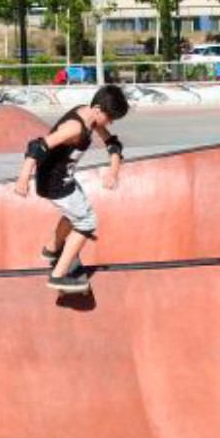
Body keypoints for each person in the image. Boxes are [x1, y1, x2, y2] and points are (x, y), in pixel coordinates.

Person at [14, 84, 130, 293]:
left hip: (62, 178)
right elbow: (37, 147)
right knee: (87, 221)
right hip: (54, 183)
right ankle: (58, 276)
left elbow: (113, 144)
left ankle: (52, 249)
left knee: (77, 210)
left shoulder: (89, 116)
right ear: (97, 109)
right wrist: (23, 178)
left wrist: (113, 171)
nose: (110, 123)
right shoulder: (75, 127)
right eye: (110, 118)